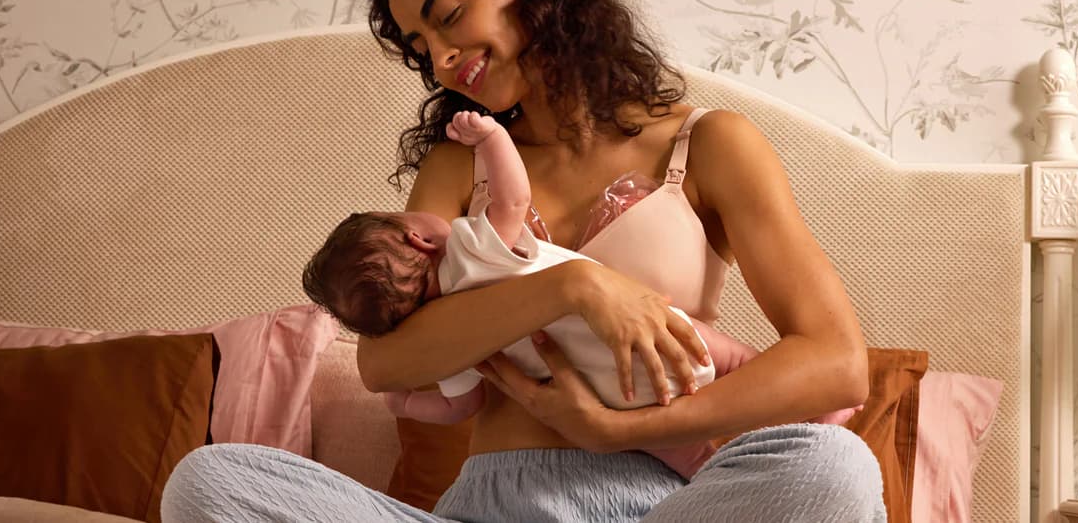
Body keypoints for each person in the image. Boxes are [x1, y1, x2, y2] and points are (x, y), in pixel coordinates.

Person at [163, 0, 885, 522]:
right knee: (211, 482)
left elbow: (836, 363)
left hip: (670, 508)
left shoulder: (706, 145)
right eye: (421, 47)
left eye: (448, 16)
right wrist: (571, 286)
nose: (442, 58)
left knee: (834, 468)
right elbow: (388, 362)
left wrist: (613, 430)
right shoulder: (460, 163)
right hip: (484, 506)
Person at [301, 109, 790, 479]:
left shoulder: (450, 335)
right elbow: (513, 198)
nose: (443, 55)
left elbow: (459, 406)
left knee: (744, 463)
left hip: (623, 409)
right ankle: (779, 425)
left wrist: (408, 406)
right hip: (668, 351)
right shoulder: (471, 249)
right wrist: (491, 138)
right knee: (732, 360)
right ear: (420, 239)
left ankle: (713, 473)